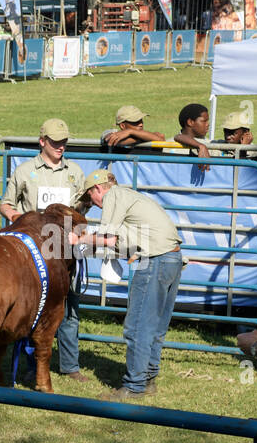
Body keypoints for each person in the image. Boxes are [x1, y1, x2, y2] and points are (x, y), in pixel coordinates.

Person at [69, 168, 184, 400]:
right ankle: (148, 378)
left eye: (91, 198)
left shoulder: (113, 196)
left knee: (138, 326)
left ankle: (134, 386)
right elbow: (123, 241)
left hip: (155, 260)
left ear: (97, 189)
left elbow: (109, 238)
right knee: (155, 325)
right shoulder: (130, 197)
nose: (95, 204)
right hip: (173, 257)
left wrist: (80, 239)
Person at [0, 117, 88, 382]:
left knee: (68, 306)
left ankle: (70, 366)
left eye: (63, 142)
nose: (60, 146)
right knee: (31, 307)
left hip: (65, 249)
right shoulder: (25, 171)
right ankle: (32, 367)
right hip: (34, 250)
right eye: (55, 142)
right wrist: (20, 219)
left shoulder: (75, 172)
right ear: (42, 142)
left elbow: (81, 209)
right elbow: (5, 204)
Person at [100, 105, 165, 154]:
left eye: (141, 120)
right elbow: (114, 141)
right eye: (135, 121)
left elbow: (161, 138)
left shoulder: (143, 133)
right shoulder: (110, 132)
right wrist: (145, 138)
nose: (141, 124)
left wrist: (130, 131)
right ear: (122, 126)